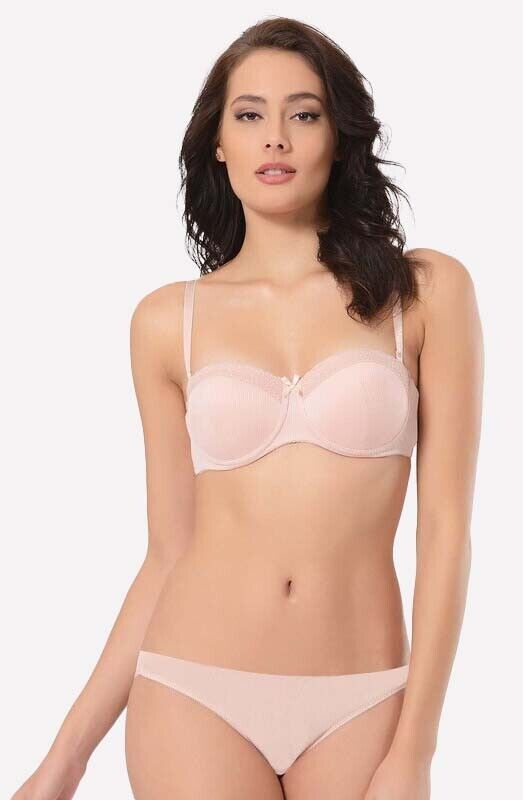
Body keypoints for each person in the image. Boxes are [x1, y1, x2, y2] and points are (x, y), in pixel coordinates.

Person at [11, 16, 483, 800]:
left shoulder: (424, 293)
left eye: (304, 113)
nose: (276, 138)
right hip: (193, 691)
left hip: (364, 697)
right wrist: (65, 761)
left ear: (340, 138)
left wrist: (417, 748)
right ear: (219, 145)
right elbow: (168, 553)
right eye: (249, 114)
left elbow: (446, 531)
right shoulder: (167, 321)